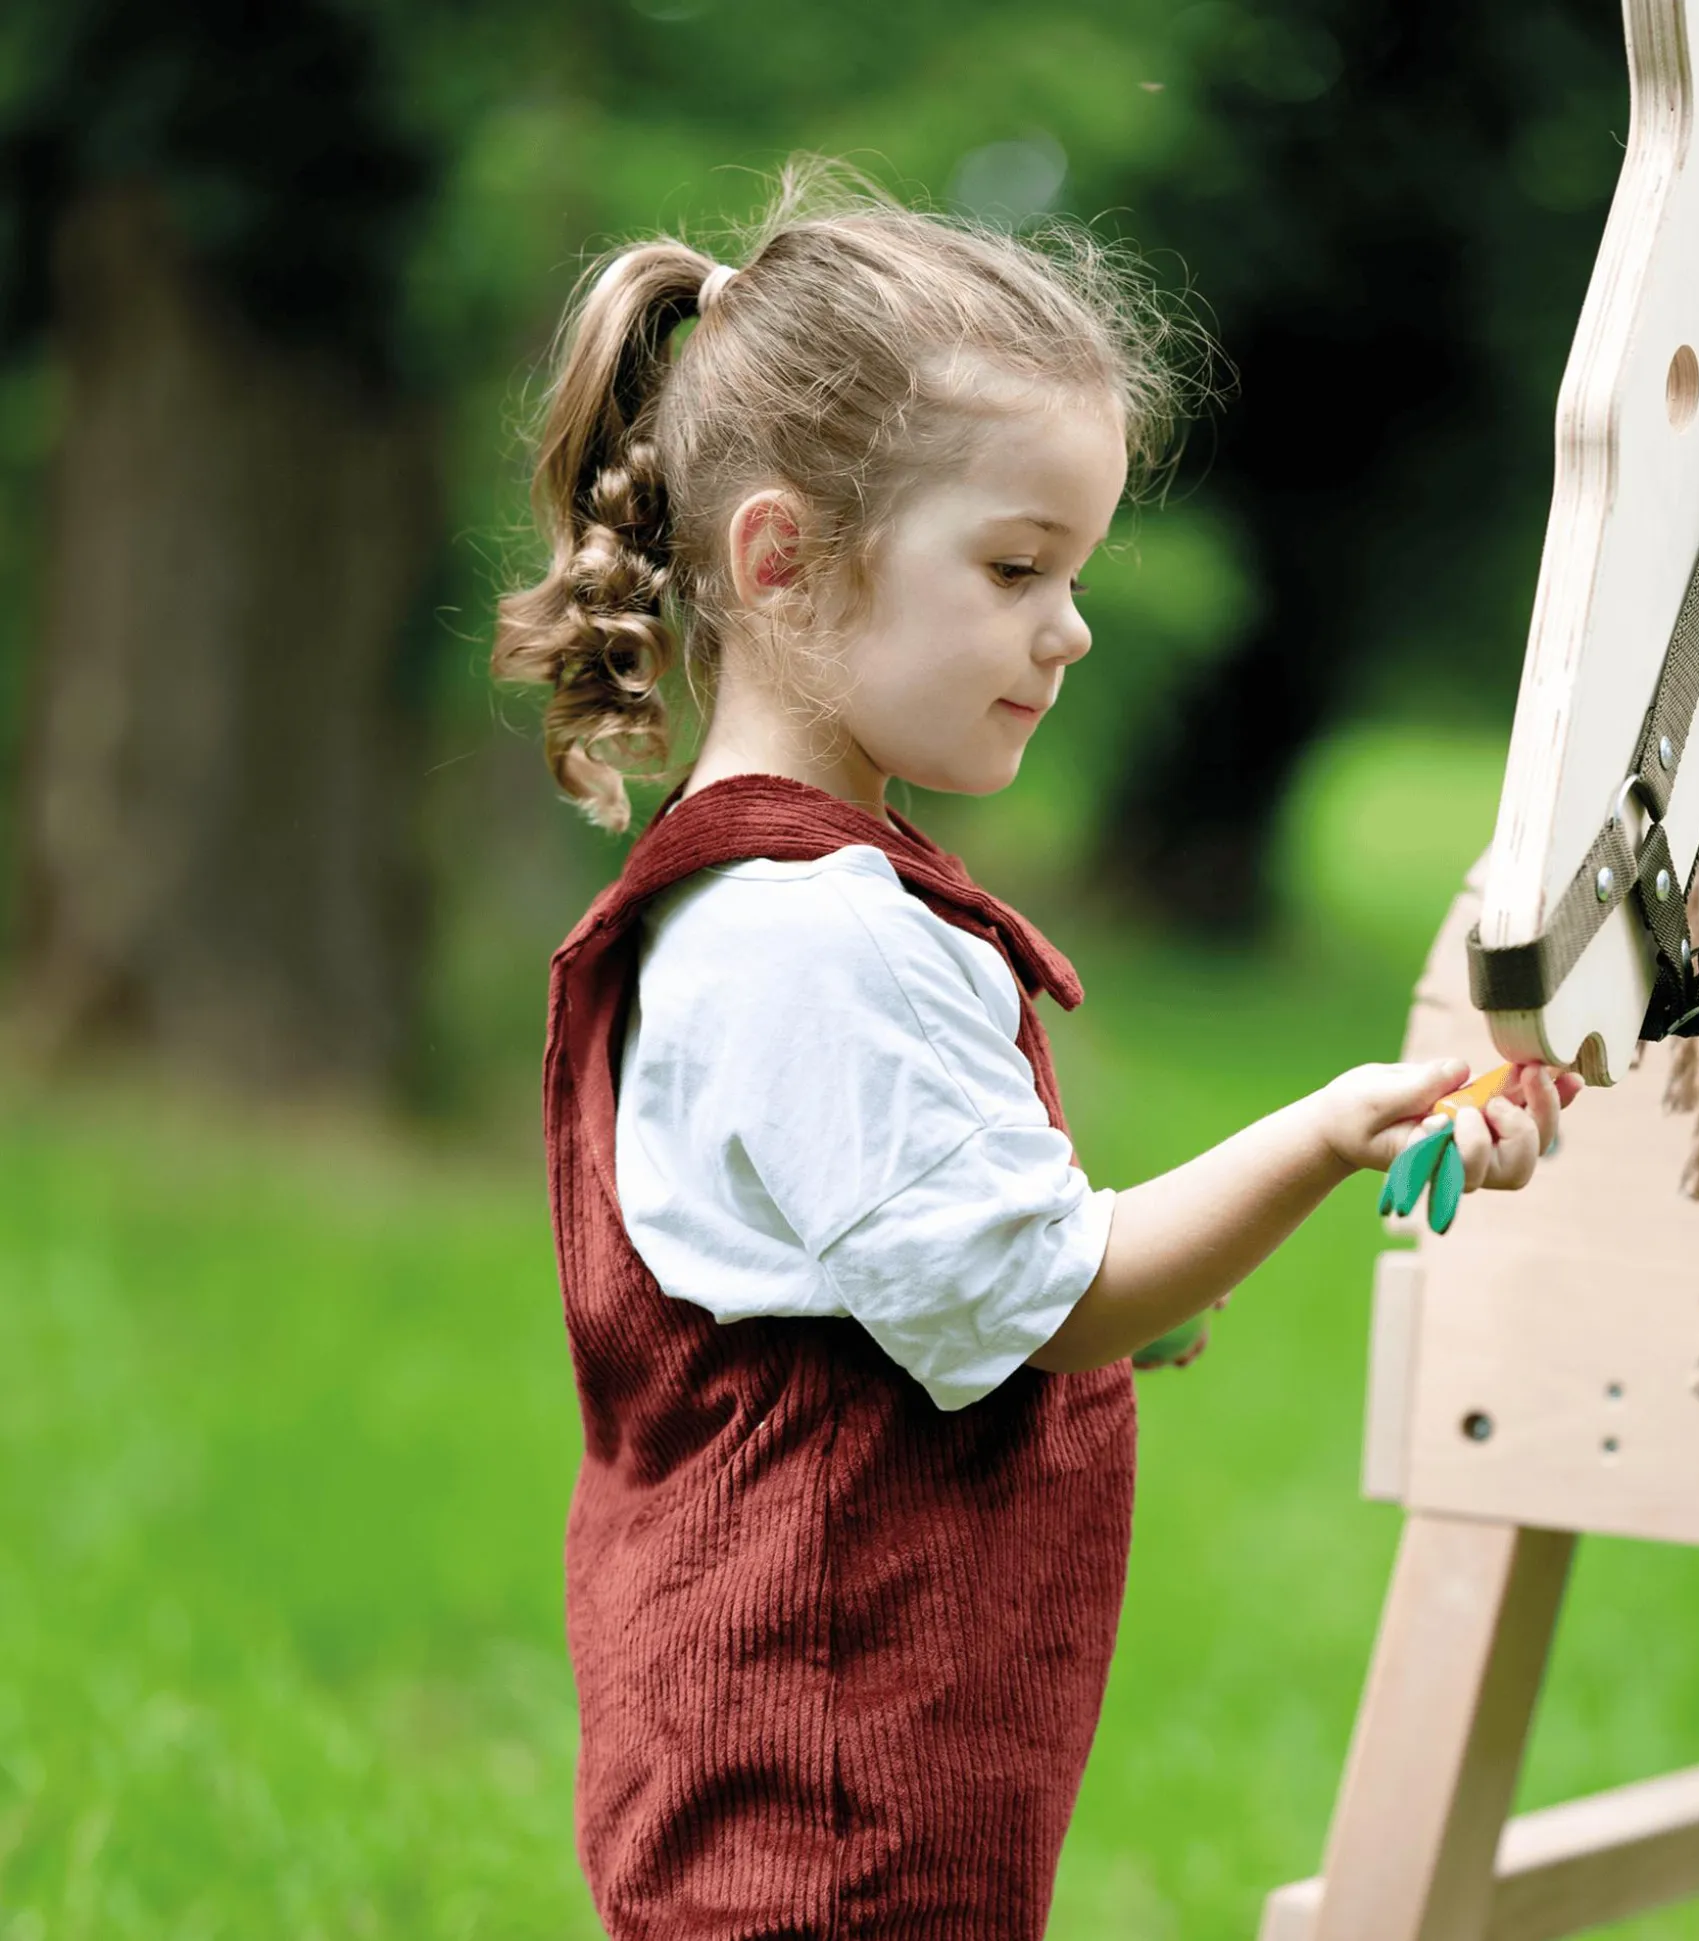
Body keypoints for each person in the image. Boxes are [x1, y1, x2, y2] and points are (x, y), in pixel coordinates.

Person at [494, 162, 1578, 1941]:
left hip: (796, 1763)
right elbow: (1054, 1293)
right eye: (1015, 567)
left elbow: (941, 1275)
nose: (1066, 628)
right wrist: (1323, 1135)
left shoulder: (773, 900)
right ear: (780, 560)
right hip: (824, 1794)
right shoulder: (816, 934)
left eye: (1073, 571)